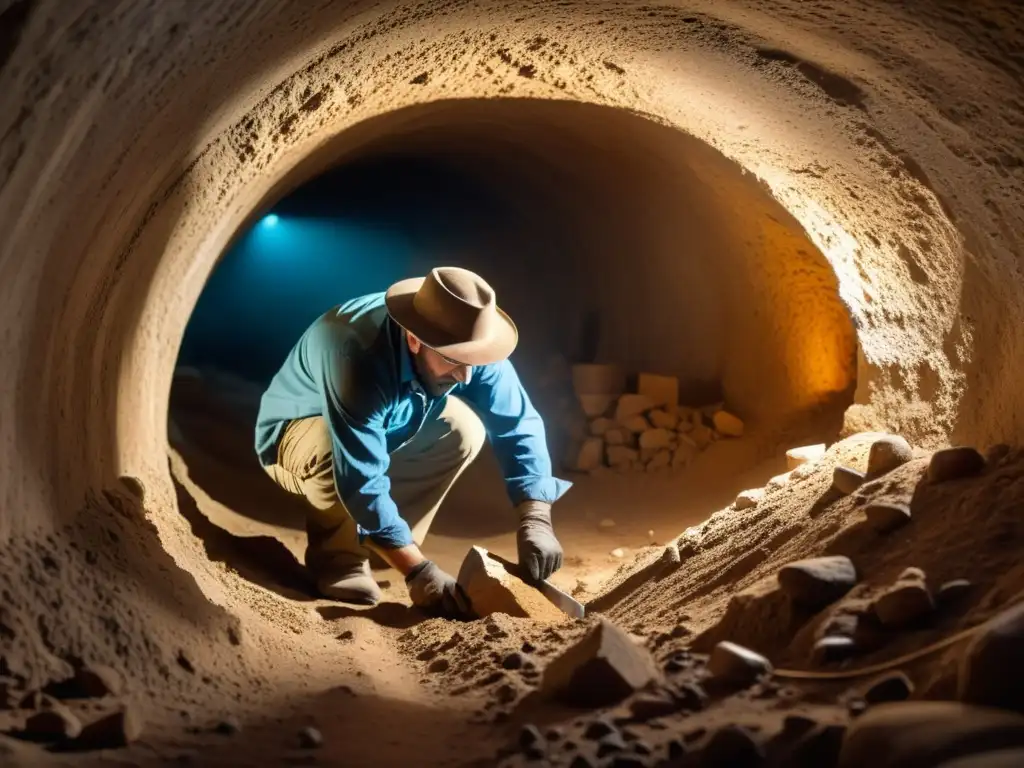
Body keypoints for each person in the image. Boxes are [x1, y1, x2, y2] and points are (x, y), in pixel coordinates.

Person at [255, 266, 571, 618]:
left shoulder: (469, 339)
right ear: (414, 339)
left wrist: (536, 516)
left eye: (474, 360)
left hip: (388, 419)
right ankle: (339, 559)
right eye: (453, 359)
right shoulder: (357, 352)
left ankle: (385, 542)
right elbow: (360, 476)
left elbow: (518, 422)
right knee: (335, 449)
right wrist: (418, 572)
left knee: (464, 429)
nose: (466, 375)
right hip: (293, 439)